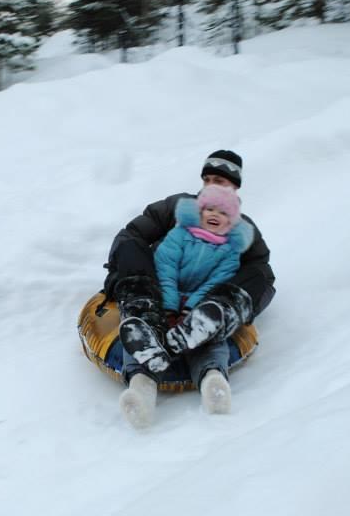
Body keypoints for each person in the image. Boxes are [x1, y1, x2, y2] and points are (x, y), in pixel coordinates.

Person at [102, 150, 276, 428]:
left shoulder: (241, 231)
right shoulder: (177, 208)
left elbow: (261, 275)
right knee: (131, 248)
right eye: (208, 179)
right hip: (158, 289)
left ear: (234, 186)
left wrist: (226, 305)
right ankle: (142, 370)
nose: (211, 185)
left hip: (203, 299)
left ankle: (211, 343)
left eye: (220, 181)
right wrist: (119, 278)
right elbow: (131, 236)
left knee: (256, 275)